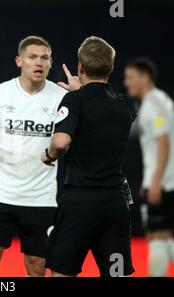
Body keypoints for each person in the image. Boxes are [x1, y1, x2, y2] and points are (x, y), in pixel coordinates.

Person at [0, 36, 67, 277]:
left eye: (44, 58)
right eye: (32, 57)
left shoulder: (61, 97)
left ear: (50, 62)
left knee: (37, 266)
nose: (39, 63)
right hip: (1, 192)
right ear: (19, 60)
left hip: (40, 197)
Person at [41, 36, 136, 277]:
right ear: (112, 68)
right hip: (115, 202)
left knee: (62, 272)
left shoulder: (74, 100)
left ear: (80, 68)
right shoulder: (125, 105)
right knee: (117, 274)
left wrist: (48, 155)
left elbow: (61, 142)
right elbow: (102, 107)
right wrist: (83, 92)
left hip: (80, 202)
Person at [124, 57, 174, 277]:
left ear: (145, 78)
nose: (127, 83)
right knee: (162, 236)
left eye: (131, 77)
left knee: (157, 238)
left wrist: (154, 183)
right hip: (173, 179)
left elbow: (163, 142)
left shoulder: (152, 105)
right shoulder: (162, 99)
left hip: (165, 182)